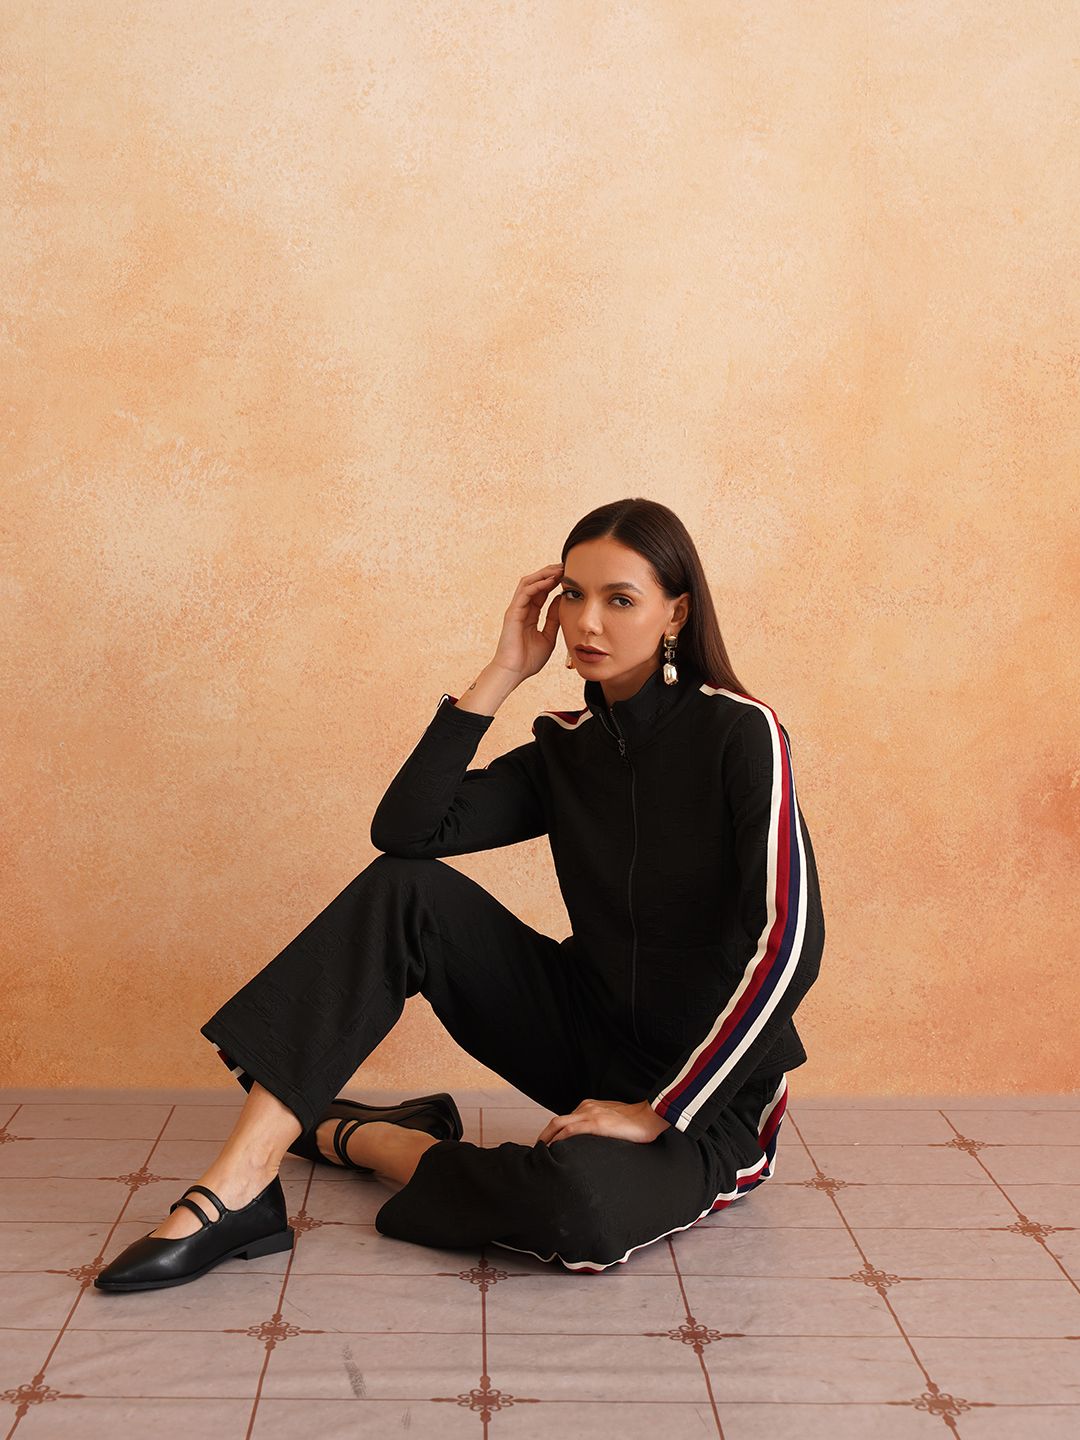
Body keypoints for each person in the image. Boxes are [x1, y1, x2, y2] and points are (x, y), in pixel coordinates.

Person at [95, 497, 825, 1292]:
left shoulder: (740, 733)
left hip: (712, 1093)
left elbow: (790, 943)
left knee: (579, 1209)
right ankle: (241, 1185)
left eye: (620, 599)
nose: (586, 622)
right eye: (573, 595)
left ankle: (373, 1140)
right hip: (590, 1035)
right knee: (405, 891)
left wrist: (661, 1109)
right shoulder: (566, 748)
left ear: (675, 613)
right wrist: (503, 670)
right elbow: (407, 833)